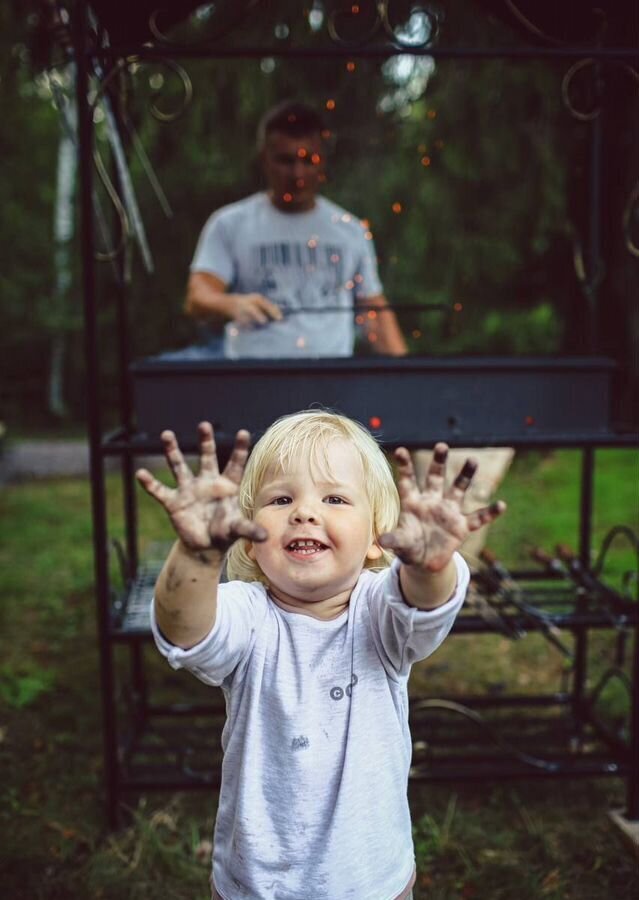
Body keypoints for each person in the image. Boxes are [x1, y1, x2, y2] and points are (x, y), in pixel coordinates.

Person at [136, 410, 506, 900]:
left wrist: (428, 565)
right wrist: (197, 555)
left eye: (334, 498)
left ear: (378, 538)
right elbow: (185, 631)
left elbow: (425, 603)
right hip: (256, 884)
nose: (304, 512)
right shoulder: (248, 615)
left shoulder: (380, 612)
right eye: (281, 498)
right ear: (247, 535)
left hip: (372, 880)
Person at [184, 100, 408, 359]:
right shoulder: (230, 223)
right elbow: (197, 297)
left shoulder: (350, 230)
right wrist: (231, 304)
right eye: (285, 160)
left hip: (331, 386)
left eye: (308, 160)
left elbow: (374, 313)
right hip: (253, 382)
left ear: (322, 162)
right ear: (264, 159)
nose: (297, 173)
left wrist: (411, 382)